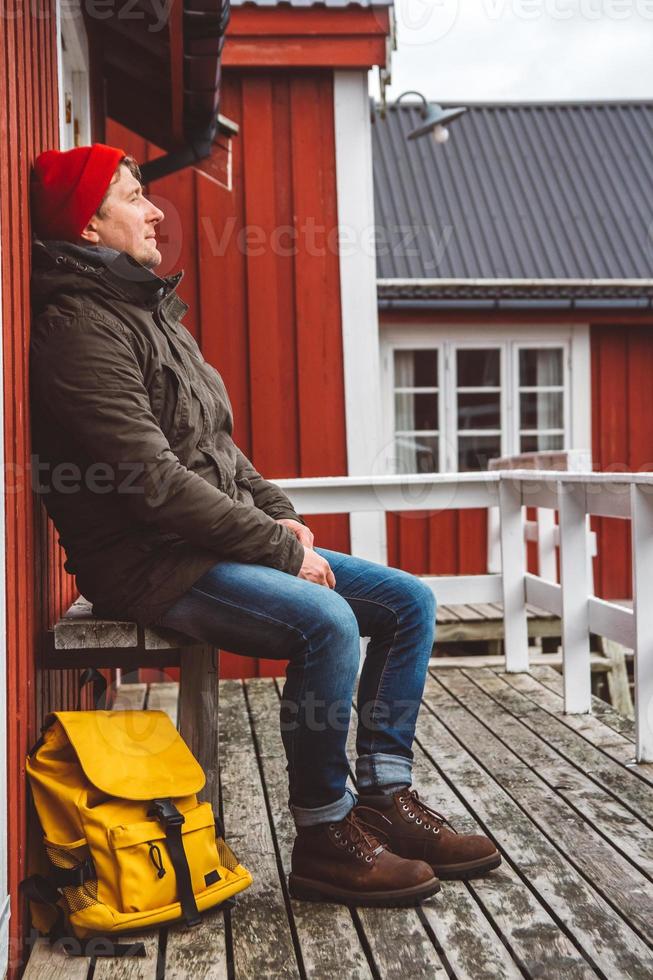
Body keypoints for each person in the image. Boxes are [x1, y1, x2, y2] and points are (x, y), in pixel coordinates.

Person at [29, 143, 500, 908]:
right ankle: (324, 834)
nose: (154, 212)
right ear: (87, 227)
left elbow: (217, 447)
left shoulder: (148, 312)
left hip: (210, 542)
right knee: (326, 620)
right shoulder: (78, 332)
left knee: (408, 601)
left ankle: (384, 793)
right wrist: (279, 548)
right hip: (150, 564)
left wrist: (281, 515)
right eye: (131, 197)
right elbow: (152, 484)